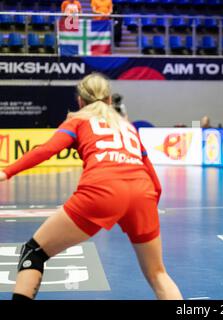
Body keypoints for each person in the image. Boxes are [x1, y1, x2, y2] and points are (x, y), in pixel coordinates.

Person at [0, 73, 182, 300]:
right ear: (109, 100)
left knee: (34, 252)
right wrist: (146, 211)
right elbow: (153, 178)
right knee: (158, 274)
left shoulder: (78, 120)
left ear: (80, 101)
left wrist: (6, 172)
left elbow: (46, 150)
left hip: (102, 188)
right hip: (142, 192)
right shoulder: (126, 126)